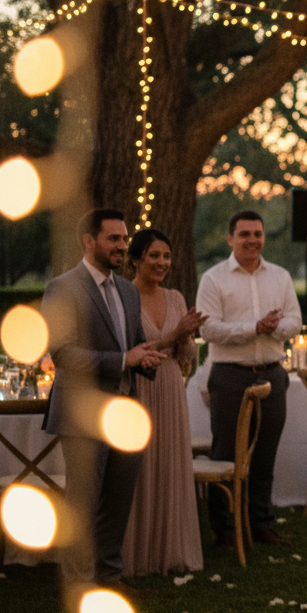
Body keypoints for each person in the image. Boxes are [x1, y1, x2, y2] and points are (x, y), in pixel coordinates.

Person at [41, 209, 164, 589]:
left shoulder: (127, 289)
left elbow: (131, 345)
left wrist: (144, 359)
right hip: (82, 414)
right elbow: (62, 354)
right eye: (114, 239)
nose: (123, 246)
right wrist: (123, 359)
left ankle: (110, 574)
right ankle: (79, 581)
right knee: (82, 503)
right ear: (89, 241)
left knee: (116, 501)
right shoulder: (63, 288)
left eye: (125, 239)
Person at [196, 210, 301, 548]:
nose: (252, 240)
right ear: (230, 239)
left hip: (272, 375)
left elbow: (295, 320)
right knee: (226, 453)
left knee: (265, 453)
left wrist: (275, 329)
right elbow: (208, 328)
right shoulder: (213, 279)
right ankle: (225, 529)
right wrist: (254, 328)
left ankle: (260, 523)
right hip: (230, 377)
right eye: (244, 234)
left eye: (257, 234)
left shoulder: (280, 277)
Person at [119, 228, 207, 576]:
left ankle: (170, 551)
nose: (162, 263)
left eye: (166, 256)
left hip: (170, 387)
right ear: (137, 259)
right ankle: (136, 556)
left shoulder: (174, 298)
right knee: (139, 469)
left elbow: (186, 358)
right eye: (154, 256)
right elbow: (131, 351)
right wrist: (173, 335)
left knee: (168, 464)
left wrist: (186, 337)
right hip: (138, 389)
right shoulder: (124, 297)